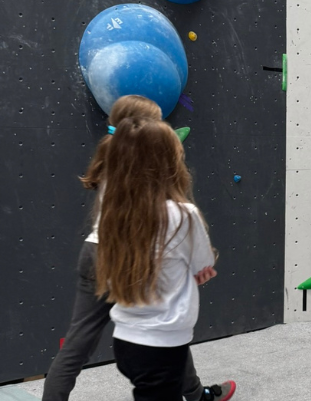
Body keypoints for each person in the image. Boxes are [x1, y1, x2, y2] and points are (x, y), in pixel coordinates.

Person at [43, 96, 234, 401]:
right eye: (155, 123)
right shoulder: (140, 168)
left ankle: (196, 394)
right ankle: (196, 395)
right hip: (127, 250)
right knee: (162, 322)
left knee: (98, 337)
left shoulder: (112, 156)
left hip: (100, 250)